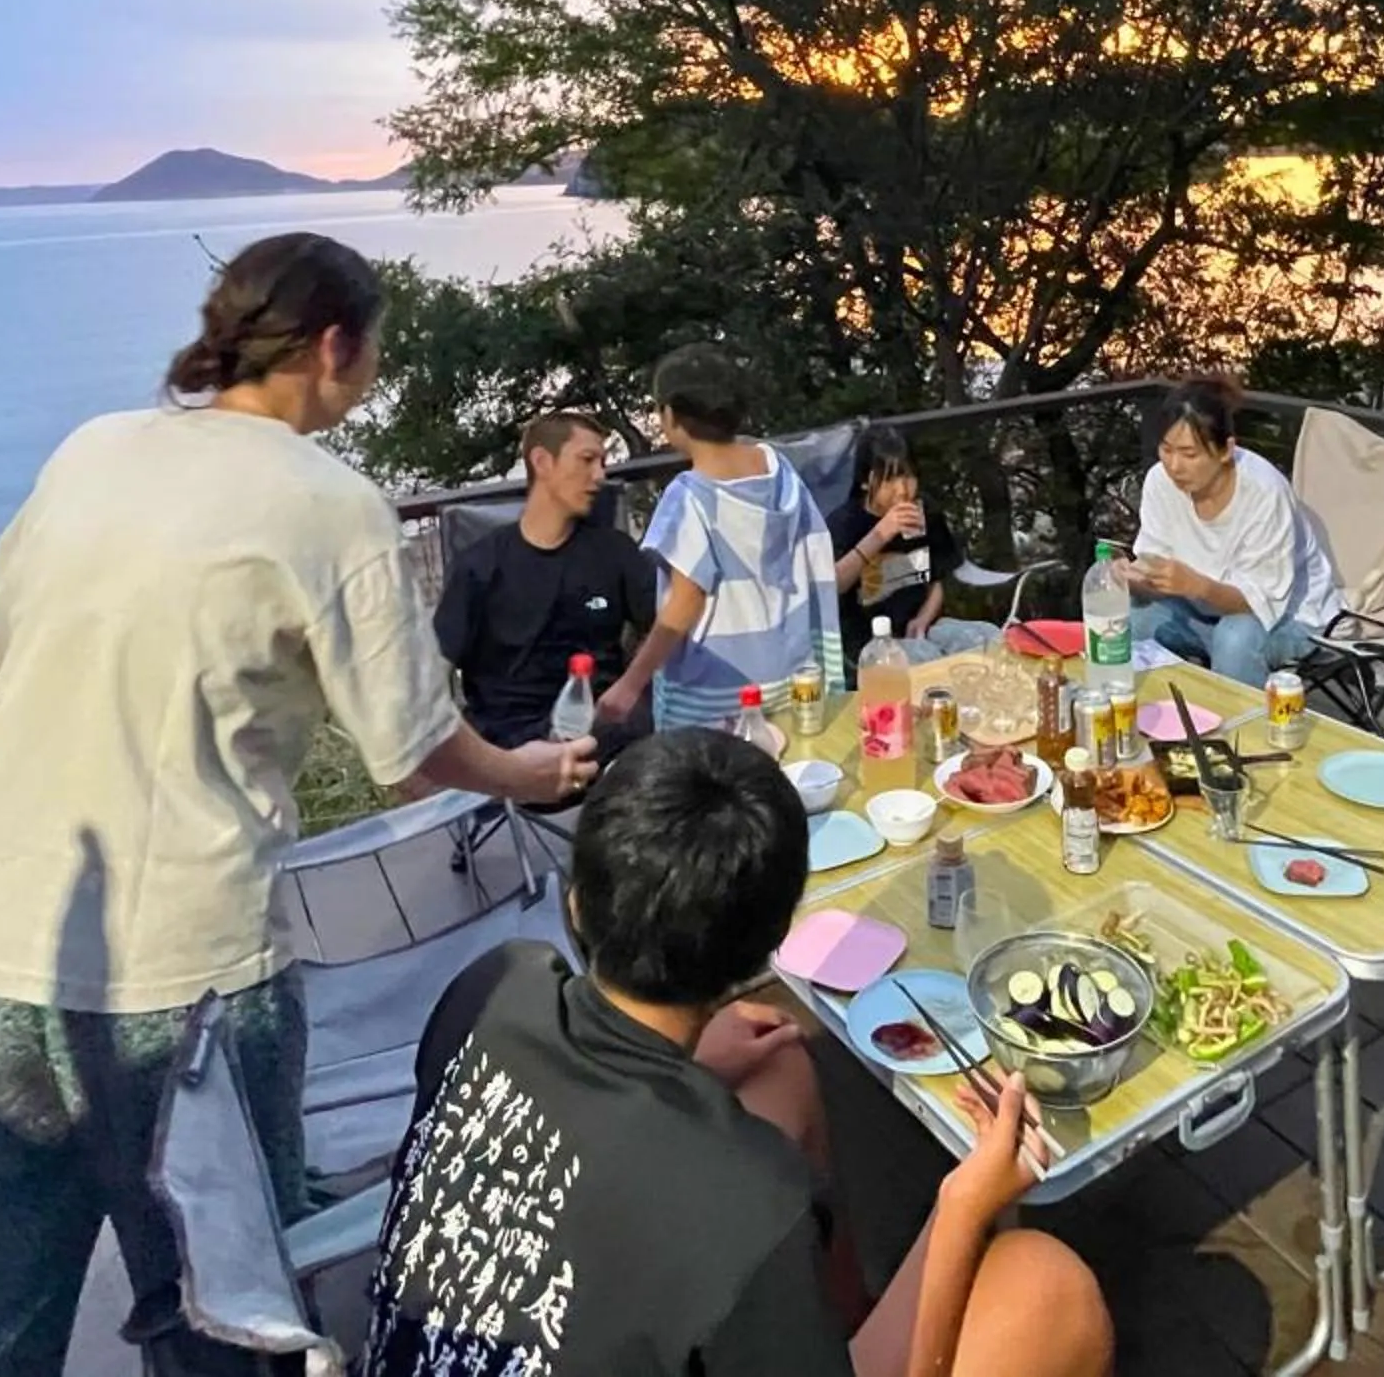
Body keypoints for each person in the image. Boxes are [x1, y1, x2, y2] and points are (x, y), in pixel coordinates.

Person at [0, 233, 598, 1377]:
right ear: (334, 345)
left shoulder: (94, 448)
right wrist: (530, 772)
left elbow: (5, 635)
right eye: (370, 350)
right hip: (179, 983)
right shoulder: (330, 503)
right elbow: (414, 749)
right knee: (229, 1311)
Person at [360, 729, 1115, 1377]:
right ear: (765, 947)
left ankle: (822, 1329)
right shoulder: (745, 1202)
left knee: (779, 1073)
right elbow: (710, 1203)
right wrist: (965, 1202)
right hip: (721, 1232)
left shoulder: (491, 989)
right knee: (1045, 1285)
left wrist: (681, 1060)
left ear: (577, 902)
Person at [599, 343, 837, 733]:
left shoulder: (689, 496)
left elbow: (684, 603)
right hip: (789, 673)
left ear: (670, 414)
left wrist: (630, 683)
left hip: (717, 696)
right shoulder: (778, 469)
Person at [433, 409, 659, 750]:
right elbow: (437, 667)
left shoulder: (613, 552)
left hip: (602, 732)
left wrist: (631, 684)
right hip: (507, 746)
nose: (600, 476)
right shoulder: (481, 564)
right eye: (587, 460)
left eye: (603, 462)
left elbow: (666, 626)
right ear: (542, 462)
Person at [1124, 374, 1341, 687]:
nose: (1174, 466)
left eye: (1189, 454)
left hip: (1291, 619)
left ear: (1225, 450)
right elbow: (1155, 567)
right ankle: (1146, 719)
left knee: (1235, 637)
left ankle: (1239, 732)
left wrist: (1195, 585)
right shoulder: (1161, 481)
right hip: (1205, 610)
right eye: (1166, 449)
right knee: (1133, 617)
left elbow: (1256, 604)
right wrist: (1134, 580)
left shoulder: (1264, 493)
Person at [826, 423, 967, 681]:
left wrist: (924, 618)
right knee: (931, 665)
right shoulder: (845, 523)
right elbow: (833, 584)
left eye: (909, 476)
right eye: (889, 479)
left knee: (984, 639)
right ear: (865, 481)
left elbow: (936, 579)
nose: (902, 490)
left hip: (924, 628)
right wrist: (881, 533)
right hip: (871, 645)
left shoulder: (926, 512)